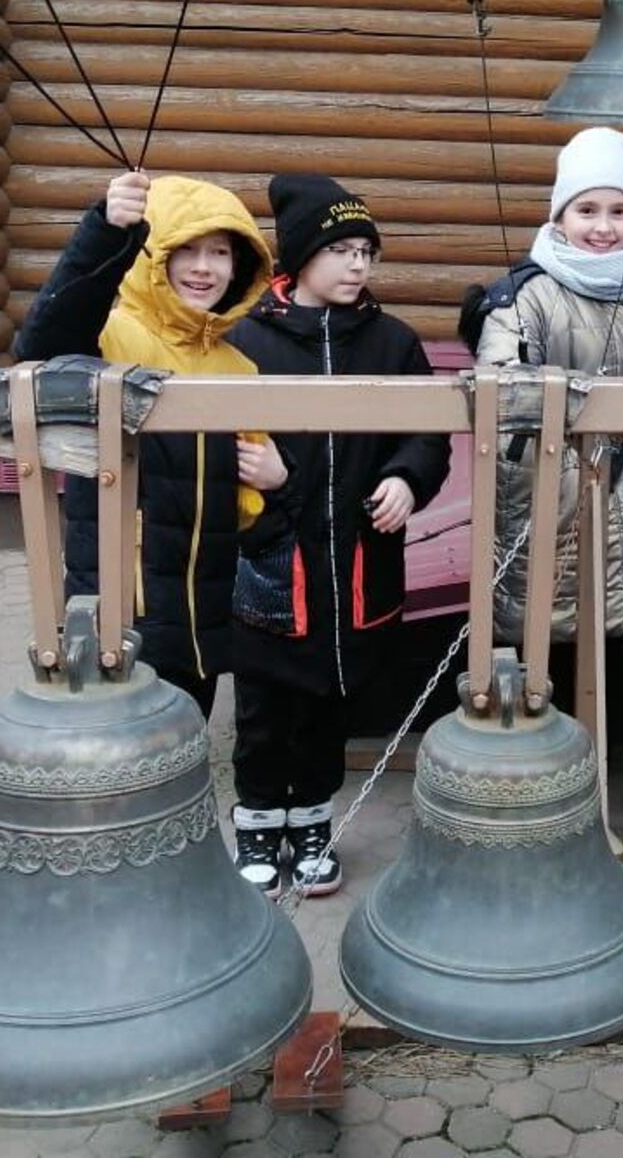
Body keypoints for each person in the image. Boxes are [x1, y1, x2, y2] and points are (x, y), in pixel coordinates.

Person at [225, 174, 452, 897]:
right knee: (264, 707)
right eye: (341, 251)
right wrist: (271, 481)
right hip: (274, 563)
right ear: (299, 257)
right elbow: (223, 449)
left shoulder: (392, 342)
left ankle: (313, 820)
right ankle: (259, 820)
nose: (358, 266)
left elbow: (429, 432)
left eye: (366, 252)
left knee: (331, 699)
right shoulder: (245, 340)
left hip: (356, 562)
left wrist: (408, 477)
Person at [14, 170, 284, 717]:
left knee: (181, 745)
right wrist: (107, 231)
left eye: (220, 252)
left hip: (201, 622)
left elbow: (250, 516)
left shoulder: (239, 367)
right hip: (123, 609)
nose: (204, 268)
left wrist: (276, 481)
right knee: (112, 748)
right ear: (152, 256)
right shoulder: (112, 334)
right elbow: (42, 345)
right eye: (185, 250)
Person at [471, 127, 623, 690]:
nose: (603, 227)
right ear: (560, 214)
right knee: (538, 647)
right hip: (545, 496)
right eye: (586, 210)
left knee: (614, 645)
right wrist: (580, 453)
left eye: (619, 211)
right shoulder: (524, 296)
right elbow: (504, 396)